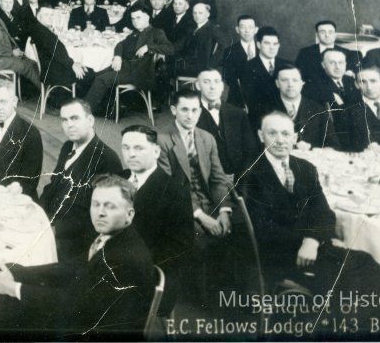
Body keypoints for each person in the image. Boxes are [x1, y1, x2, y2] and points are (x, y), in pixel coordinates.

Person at [241, 112, 380, 325]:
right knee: (356, 282)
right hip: (280, 256)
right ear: (261, 136)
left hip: (314, 250)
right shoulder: (251, 173)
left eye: (286, 134)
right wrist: (305, 243)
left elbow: (325, 214)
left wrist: (312, 240)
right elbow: (263, 229)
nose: (280, 140)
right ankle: (366, 329)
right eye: (272, 133)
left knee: (368, 265)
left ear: (295, 138)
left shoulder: (305, 168)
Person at [0, 175, 154, 341]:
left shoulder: (124, 257)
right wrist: (17, 271)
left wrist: (13, 288)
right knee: (8, 286)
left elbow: (76, 306)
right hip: (84, 314)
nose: (100, 212)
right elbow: (72, 267)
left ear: (129, 214)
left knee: (9, 307)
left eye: (110, 206)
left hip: (93, 333)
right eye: (96, 204)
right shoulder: (113, 235)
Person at [157, 89, 235, 306]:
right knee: (200, 238)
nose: (190, 115)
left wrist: (224, 211)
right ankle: (204, 301)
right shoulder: (162, 140)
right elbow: (169, 187)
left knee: (237, 231)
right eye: (184, 110)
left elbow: (218, 179)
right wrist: (201, 216)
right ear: (174, 110)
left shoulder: (206, 138)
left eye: (194, 110)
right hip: (180, 206)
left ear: (200, 111)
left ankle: (229, 295)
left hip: (210, 201)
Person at [120, 125, 193, 314]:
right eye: (126, 148)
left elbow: (179, 248)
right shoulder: (118, 178)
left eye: (138, 148)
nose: (131, 154)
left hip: (148, 277)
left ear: (156, 151)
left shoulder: (174, 191)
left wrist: (128, 261)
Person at [39, 99, 123, 260]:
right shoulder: (67, 147)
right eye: (64, 120)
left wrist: (56, 230)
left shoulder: (106, 159)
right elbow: (52, 187)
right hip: (49, 226)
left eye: (75, 118)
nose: (69, 125)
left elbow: (100, 216)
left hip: (76, 243)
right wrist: (38, 214)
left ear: (90, 120)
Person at [85, 6, 174, 115]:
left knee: (102, 79)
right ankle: (102, 108)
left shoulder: (156, 32)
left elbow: (170, 48)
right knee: (95, 74)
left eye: (138, 17)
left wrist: (148, 47)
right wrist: (117, 56)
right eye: (133, 18)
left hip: (139, 72)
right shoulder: (134, 33)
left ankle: (85, 112)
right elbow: (120, 44)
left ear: (147, 17)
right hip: (125, 68)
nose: (135, 21)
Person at [194, 68, 259, 177]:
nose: (212, 87)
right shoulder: (191, 115)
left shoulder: (238, 114)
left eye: (216, 82)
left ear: (222, 86)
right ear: (198, 85)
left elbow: (250, 151)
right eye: (206, 82)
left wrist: (241, 179)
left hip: (238, 178)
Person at [266, 65, 339, 149]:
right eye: (284, 80)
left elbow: (333, 145)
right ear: (277, 83)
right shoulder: (265, 110)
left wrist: (311, 148)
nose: (290, 85)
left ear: (302, 83)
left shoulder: (319, 110)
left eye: (295, 80)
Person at [0, 0, 41, 89]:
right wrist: (12, 52)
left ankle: (37, 90)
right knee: (28, 66)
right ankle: (44, 92)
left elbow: (9, 38)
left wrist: (16, 49)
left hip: (4, 56)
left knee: (33, 62)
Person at [228, 26, 288, 121]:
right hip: (259, 119)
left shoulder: (287, 65)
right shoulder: (246, 68)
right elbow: (250, 100)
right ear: (259, 45)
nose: (272, 47)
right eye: (267, 43)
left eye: (275, 44)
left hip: (286, 116)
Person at [27, 19, 89, 89]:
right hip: (54, 73)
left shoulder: (39, 29)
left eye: (51, 15)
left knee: (86, 71)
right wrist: (72, 64)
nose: (49, 18)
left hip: (49, 70)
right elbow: (59, 53)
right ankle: (78, 95)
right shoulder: (45, 32)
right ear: (39, 17)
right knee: (90, 74)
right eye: (46, 15)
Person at [171, 2, 228, 77]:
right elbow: (179, 44)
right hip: (187, 64)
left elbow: (224, 47)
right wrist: (164, 50)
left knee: (167, 70)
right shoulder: (191, 29)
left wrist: (210, 65)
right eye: (195, 13)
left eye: (200, 13)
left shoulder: (213, 29)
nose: (197, 16)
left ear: (207, 14)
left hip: (202, 68)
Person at [294, 20, 360, 84]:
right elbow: (298, 74)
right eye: (323, 32)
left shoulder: (348, 53)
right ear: (317, 35)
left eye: (330, 32)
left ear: (335, 34)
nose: (327, 35)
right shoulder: (305, 53)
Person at [222, 14, 258, 100]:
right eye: (243, 27)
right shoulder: (229, 51)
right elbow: (229, 78)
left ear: (256, 30)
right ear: (237, 30)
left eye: (250, 27)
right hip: (238, 97)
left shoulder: (264, 48)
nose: (247, 31)